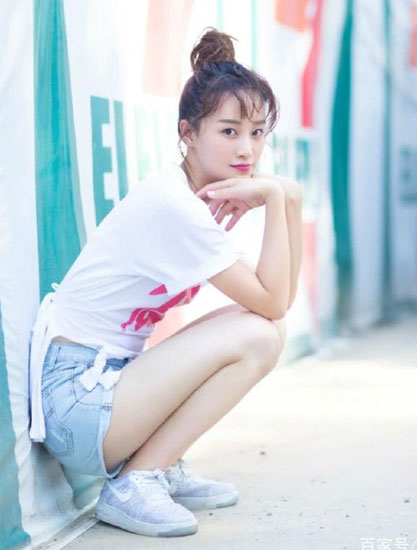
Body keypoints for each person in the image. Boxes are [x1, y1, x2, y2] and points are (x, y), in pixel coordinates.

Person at [28, 27, 303, 538]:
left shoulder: (189, 195)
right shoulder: (176, 206)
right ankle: (136, 481)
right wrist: (275, 196)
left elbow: (277, 298)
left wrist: (289, 197)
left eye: (257, 133)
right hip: (78, 403)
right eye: (229, 131)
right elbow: (273, 302)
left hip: (104, 390)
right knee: (259, 333)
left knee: (263, 330)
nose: (247, 149)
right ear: (188, 133)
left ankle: (157, 459)